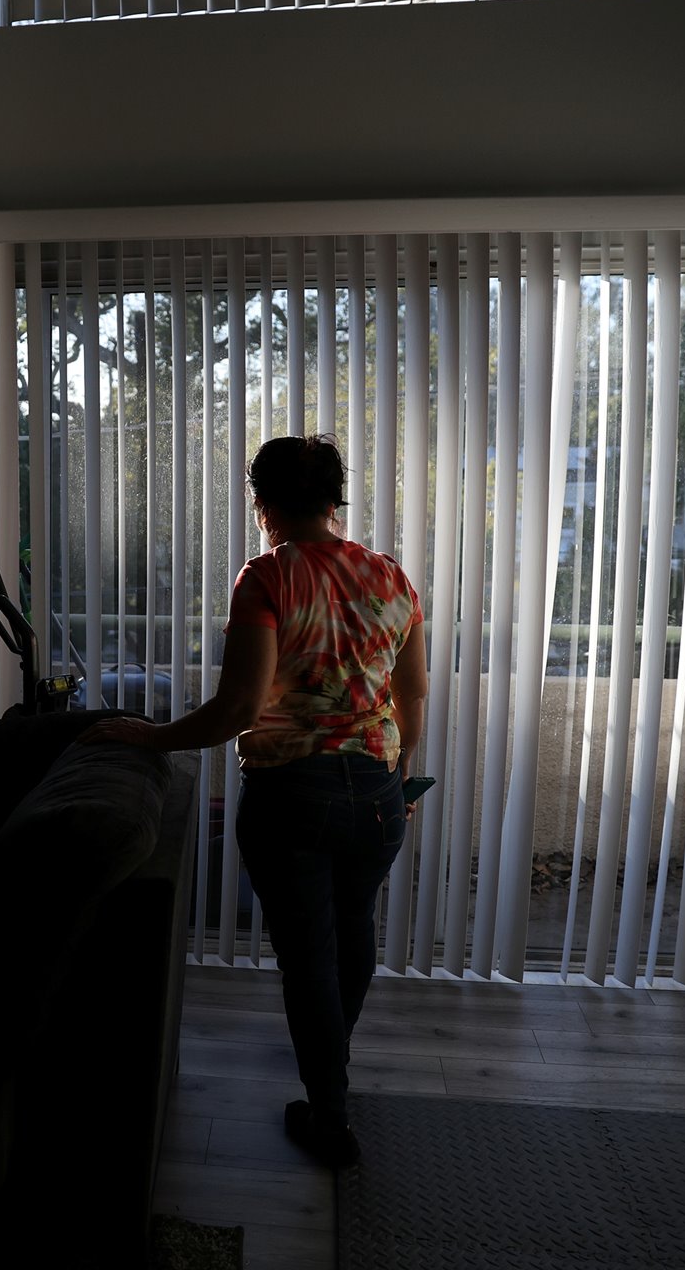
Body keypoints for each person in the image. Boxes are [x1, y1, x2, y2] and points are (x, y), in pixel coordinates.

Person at [81, 433, 426, 1168]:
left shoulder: (266, 578)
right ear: (336, 501)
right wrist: (396, 771)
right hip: (375, 793)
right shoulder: (392, 579)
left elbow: (238, 708)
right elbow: (412, 693)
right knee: (352, 928)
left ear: (262, 503)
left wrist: (149, 738)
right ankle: (330, 1062)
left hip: (292, 794)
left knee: (307, 957)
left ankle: (328, 1118)